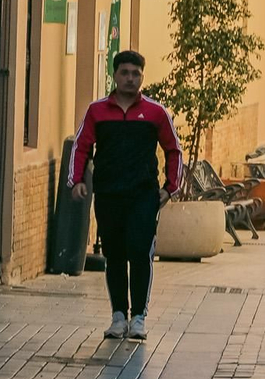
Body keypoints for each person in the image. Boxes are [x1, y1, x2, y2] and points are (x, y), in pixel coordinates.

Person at [68, 50, 183, 341]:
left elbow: (174, 150)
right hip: (108, 194)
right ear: (115, 75)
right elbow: (82, 146)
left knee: (139, 252)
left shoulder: (156, 113)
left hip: (144, 195)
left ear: (142, 77)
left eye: (136, 73)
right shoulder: (97, 111)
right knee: (114, 254)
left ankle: (139, 318)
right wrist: (77, 180)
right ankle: (118, 316)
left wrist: (170, 188)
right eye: (125, 73)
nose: (130, 78)